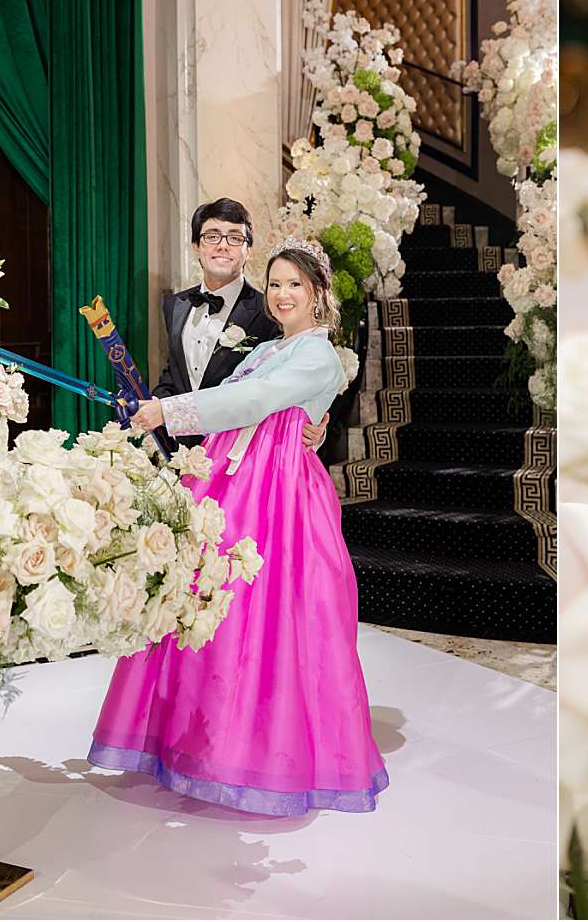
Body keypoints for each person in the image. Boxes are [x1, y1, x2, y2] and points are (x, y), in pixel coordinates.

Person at [88, 239, 388, 814]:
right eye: (274, 284)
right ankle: (194, 742)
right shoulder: (272, 348)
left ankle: (257, 752)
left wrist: (169, 412)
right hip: (232, 475)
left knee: (268, 614)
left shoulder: (317, 354)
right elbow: (243, 394)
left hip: (277, 493)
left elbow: (256, 400)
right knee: (206, 601)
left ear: (319, 294)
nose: (281, 295)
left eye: (294, 285)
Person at [156, 197, 326, 453]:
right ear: (195, 246)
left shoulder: (273, 311)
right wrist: (153, 412)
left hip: (240, 455)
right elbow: (175, 375)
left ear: (249, 250)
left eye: (235, 238)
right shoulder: (175, 305)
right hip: (176, 449)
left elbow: (291, 385)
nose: (223, 246)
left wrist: (315, 428)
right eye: (212, 236)